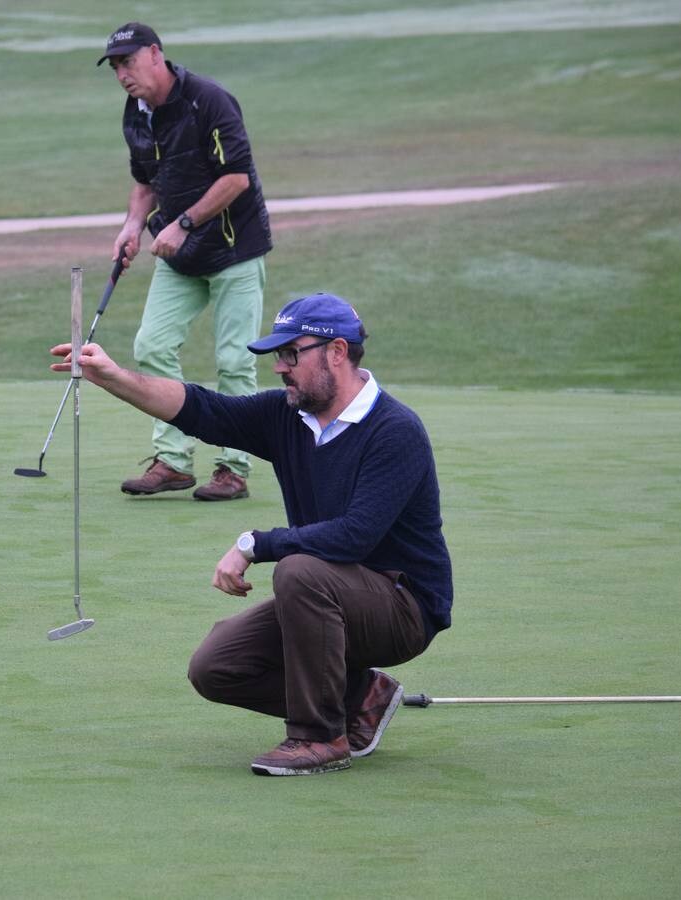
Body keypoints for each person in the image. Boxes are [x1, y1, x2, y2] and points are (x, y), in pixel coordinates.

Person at [50, 293, 453, 776]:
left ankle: (319, 737)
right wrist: (113, 377)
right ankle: (360, 696)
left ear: (337, 353)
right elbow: (204, 411)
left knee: (300, 570)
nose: (280, 368)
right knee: (215, 666)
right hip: (330, 597)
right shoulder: (290, 416)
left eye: (291, 354)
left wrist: (255, 544)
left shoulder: (395, 430)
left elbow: (354, 537)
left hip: (402, 607)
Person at [98, 22, 273, 501]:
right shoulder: (135, 113)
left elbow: (237, 177)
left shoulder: (208, 100)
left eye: (128, 62)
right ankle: (173, 460)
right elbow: (144, 179)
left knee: (235, 361)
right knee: (151, 345)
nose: (122, 75)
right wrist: (133, 225)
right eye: (115, 67)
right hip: (180, 255)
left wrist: (184, 224)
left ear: (156, 55)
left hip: (235, 248)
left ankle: (234, 468)